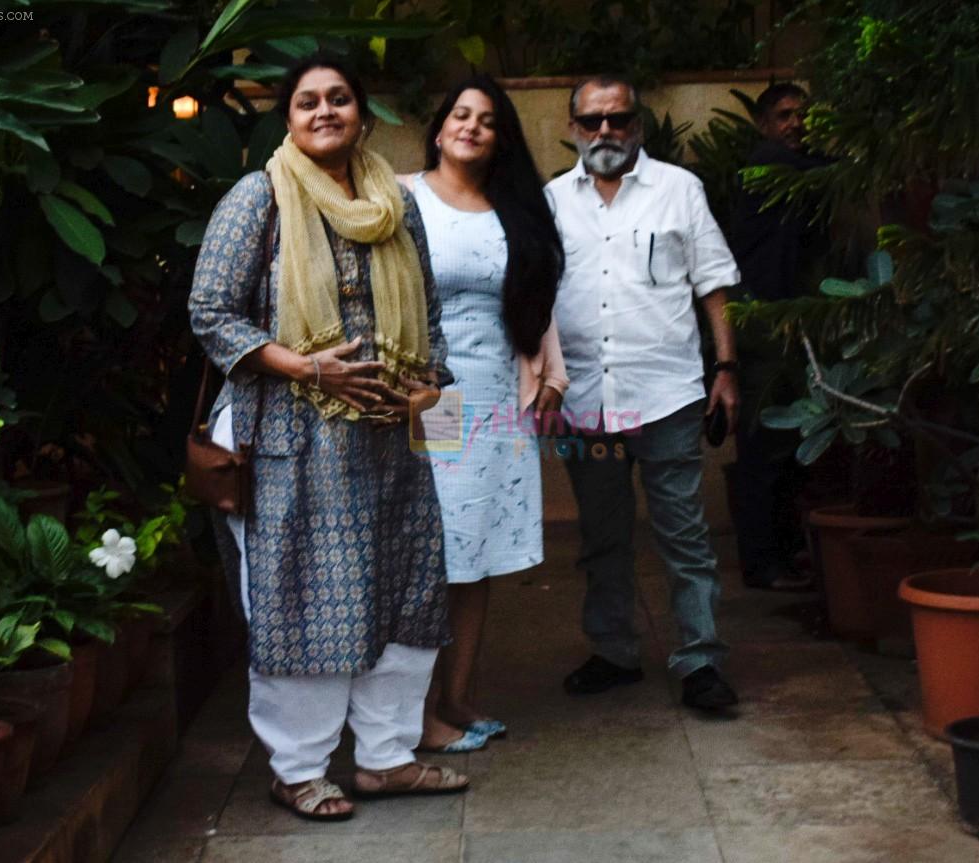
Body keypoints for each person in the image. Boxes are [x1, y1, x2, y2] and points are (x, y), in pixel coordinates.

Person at [188, 55, 467, 822]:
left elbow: (431, 317)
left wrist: (433, 398)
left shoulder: (395, 200)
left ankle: (385, 759)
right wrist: (310, 368)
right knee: (304, 597)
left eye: (337, 98)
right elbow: (211, 313)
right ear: (287, 118)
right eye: (306, 101)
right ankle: (299, 767)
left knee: (408, 584)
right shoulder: (259, 197)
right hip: (291, 435)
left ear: (361, 113)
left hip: (393, 438)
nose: (323, 111)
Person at [546, 74, 742, 712]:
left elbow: (712, 282)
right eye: (594, 120)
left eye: (620, 119)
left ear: (639, 125)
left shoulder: (679, 191)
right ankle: (614, 653)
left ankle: (701, 661)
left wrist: (726, 368)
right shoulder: (552, 202)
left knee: (684, 536)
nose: (607, 131)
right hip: (586, 405)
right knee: (603, 537)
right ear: (574, 128)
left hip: (667, 399)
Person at [400, 75, 567, 752]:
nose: (471, 125)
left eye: (487, 119)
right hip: (432, 397)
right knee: (433, 550)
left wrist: (552, 374)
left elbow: (535, 297)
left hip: (498, 396)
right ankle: (413, 715)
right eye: (459, 114)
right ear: (438, 128)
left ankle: (458, 696)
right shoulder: (404, 197)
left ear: (499, 138)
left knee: (476, 550)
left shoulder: (511, 208)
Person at [724, 82, 829, 592]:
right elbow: (828, 176)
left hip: (787, 326)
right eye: (784, 115)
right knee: (763, 445)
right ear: (765, 124)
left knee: (786, 448)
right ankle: (762, 562)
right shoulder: (768, 164)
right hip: (761, 329)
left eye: (802, 116)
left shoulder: (799, 168)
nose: (795, 124)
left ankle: (781, 555)